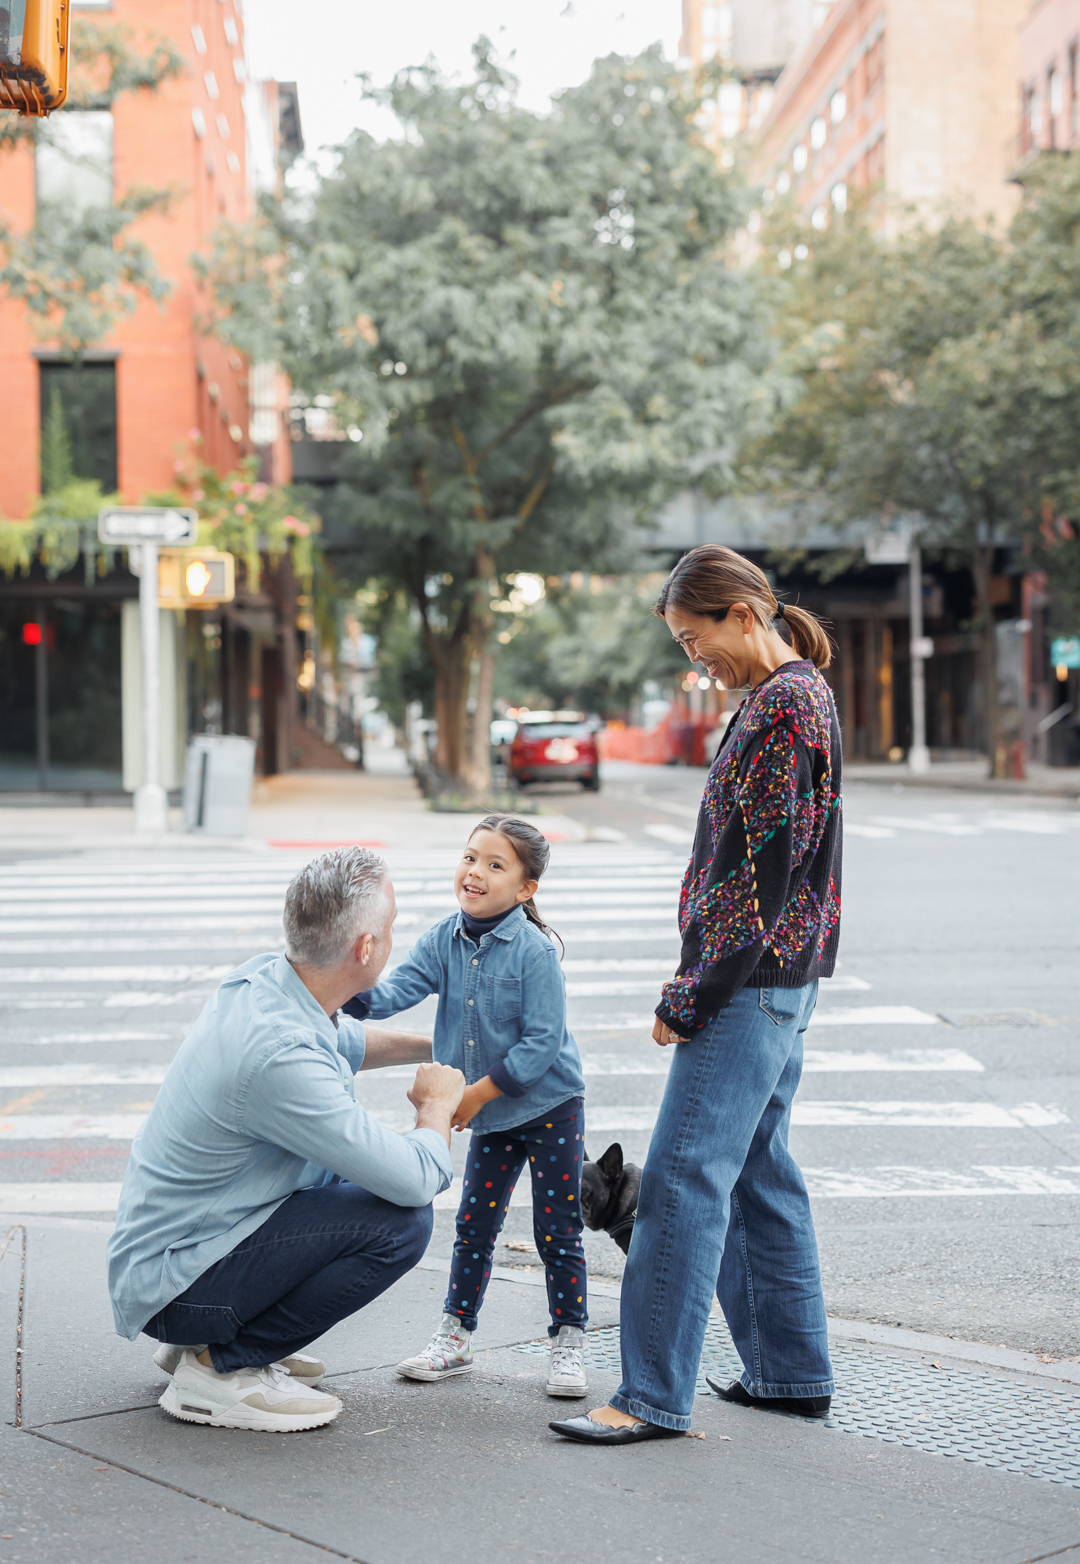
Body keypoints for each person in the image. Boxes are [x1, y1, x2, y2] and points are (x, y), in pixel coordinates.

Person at [551, 544, 842, 1445]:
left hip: (746, 983)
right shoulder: (783, 699)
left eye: (696, 637)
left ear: (743, 614)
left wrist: (691, 994)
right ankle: (791, 1375)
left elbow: (762, 872)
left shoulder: (786, 705)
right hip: (777, 980)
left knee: (680, 1182)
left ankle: (649, 1395)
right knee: (759, 1175)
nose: (694, 659)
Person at [106, 846, 465, 1433]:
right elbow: (414, 1178)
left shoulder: (267, 981)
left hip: (173, 1255)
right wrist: (435, 1108)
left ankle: (209, 1339)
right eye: (392, 926)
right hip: (176, 1285)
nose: (395, 936)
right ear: (366, 948)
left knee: (350, 1175)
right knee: (402, 1223)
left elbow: (345, 1040)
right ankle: (220, 1367)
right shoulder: (279, 1059)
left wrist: (441, 1046)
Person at [342, 815, 589, 1399]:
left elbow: (541, 1044)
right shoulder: (442, 940)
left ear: (526, 889)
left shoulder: (533, 951)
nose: (475, 872)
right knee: (474, 1224)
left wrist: (473, 1094)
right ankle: (455, 1335)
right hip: (492, 1116)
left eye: (495, 865)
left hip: (550, 1105)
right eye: (470, 857)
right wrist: (341, 980)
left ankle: (569, 1341)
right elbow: (393, 995)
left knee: (558, 1228)